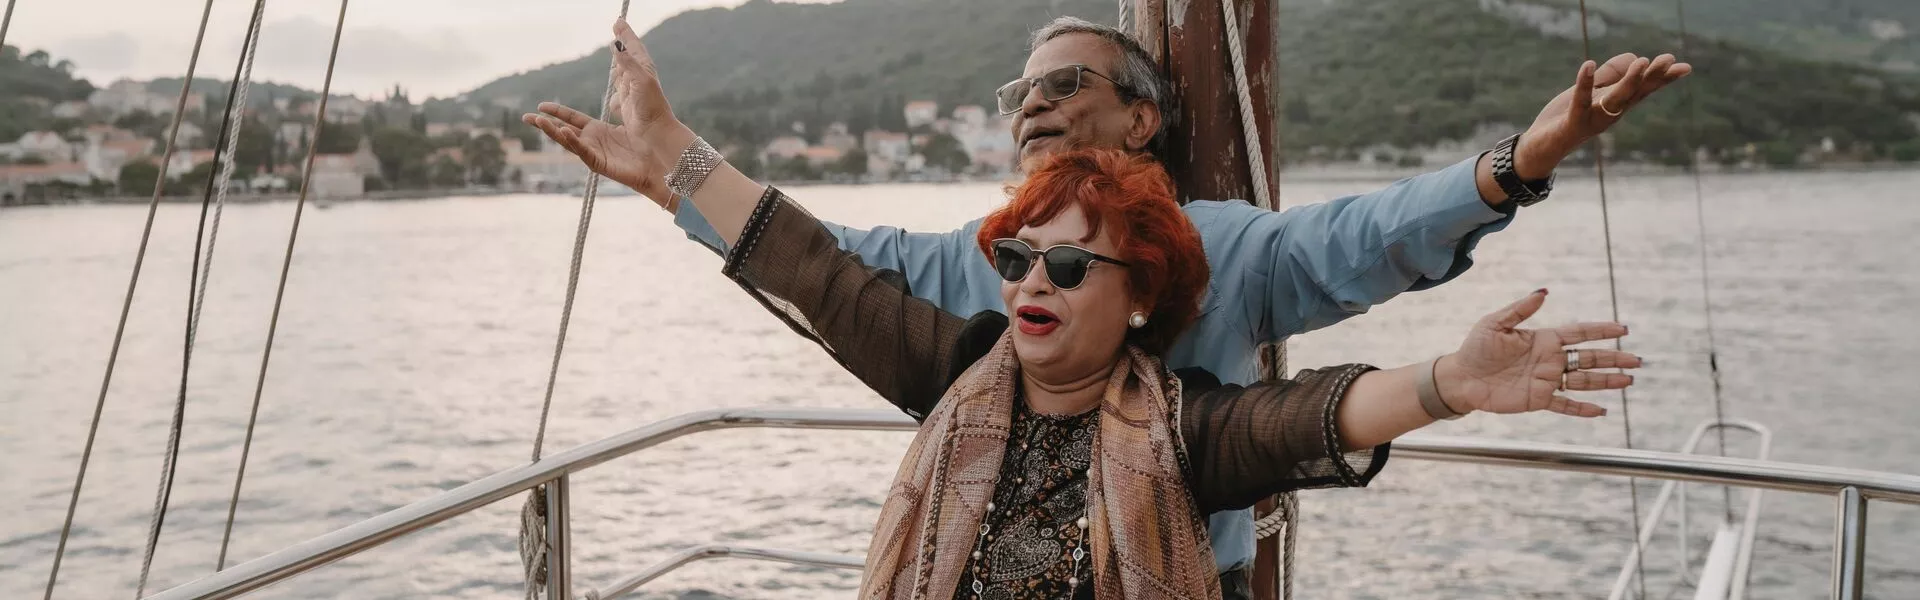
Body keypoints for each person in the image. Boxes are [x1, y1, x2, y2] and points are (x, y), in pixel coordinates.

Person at [528, 16, 1685, 596]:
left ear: (1141, 118)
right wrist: (671, 168)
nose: (1033, 282)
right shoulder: (967, 305)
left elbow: (1336, 312)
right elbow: (822, 268)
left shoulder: (1213, 295)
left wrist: (1521, 164)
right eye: (1021, 260)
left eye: (1063, 83)